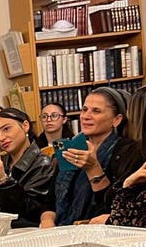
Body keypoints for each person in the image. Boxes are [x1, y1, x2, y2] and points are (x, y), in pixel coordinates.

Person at [55, 87, 140, 225]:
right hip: (61, 229)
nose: (86, 116)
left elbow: (115, 207)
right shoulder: (73, 145)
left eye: (96, 111)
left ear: (116, 120)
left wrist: (93, 168)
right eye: (84, 109)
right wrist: (47, 221)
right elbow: (49, 201)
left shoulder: (129, 151)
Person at [0, 107, 56, 228]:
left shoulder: (43, 164)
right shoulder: (1, 163)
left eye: (6, 129)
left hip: (23, 233)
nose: (1, 138)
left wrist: (3, 180)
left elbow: (30, 212)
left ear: (25, 126)